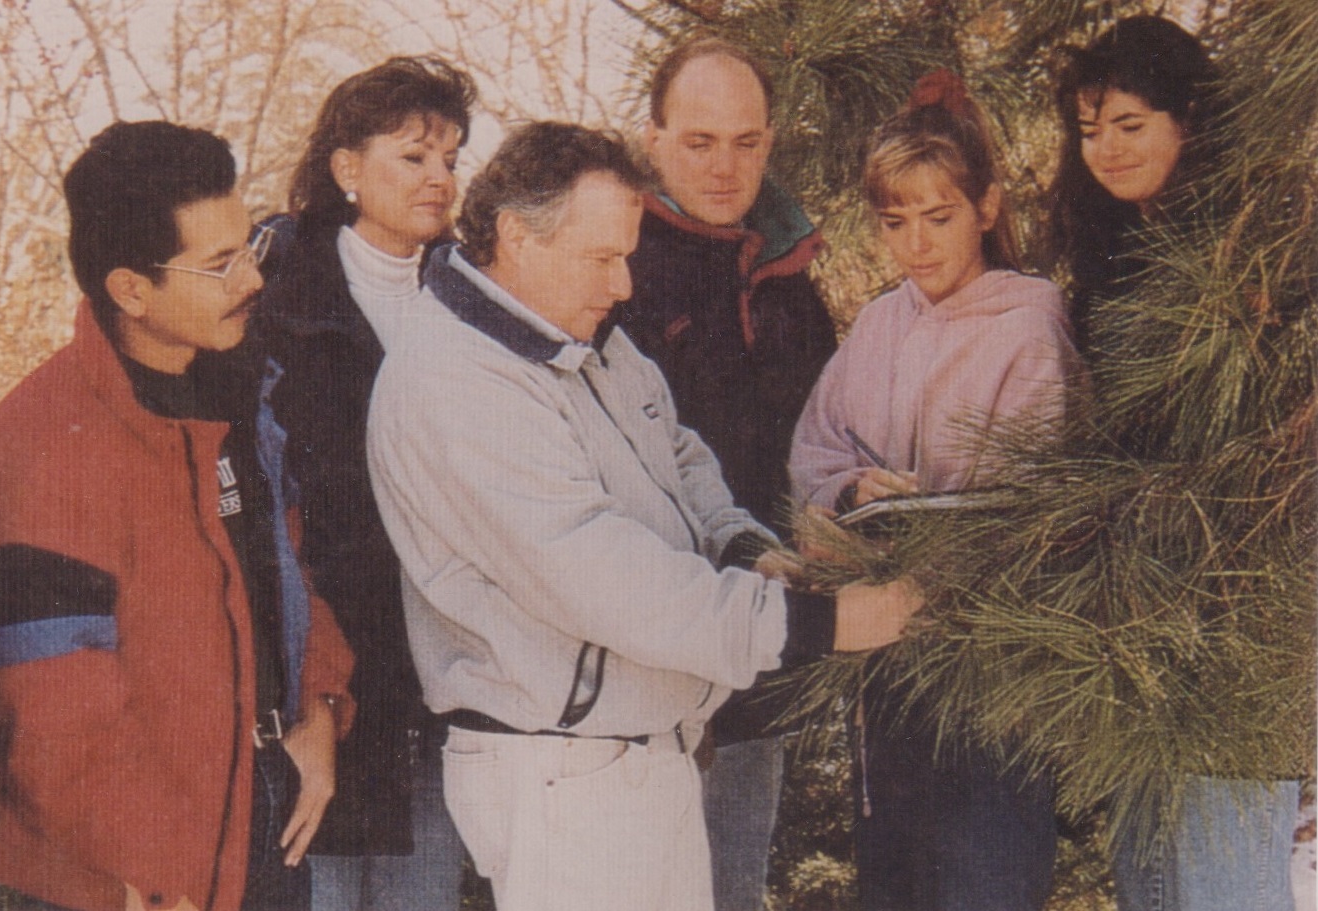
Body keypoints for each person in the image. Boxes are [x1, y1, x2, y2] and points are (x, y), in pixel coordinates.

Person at [366, 120, 923, 911]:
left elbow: (679, 454)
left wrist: (744, 547)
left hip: (636, 754)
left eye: (624, 254)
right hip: (562, 776)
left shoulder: (577, 337)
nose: (622, 284)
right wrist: (822, 622)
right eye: (601, 257)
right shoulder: (456, 382)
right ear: (516, 238)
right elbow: (607, 579)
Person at [0, 121, 354, 911]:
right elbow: (55, 732)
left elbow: (285, 574)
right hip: (133, 877)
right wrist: (161, 882)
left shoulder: (234, 395)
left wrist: (322, 709)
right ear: (130, 288)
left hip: (260, 817)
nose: (252, 280)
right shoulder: (36, 455)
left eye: (249, 248)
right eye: (219, 263)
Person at [788, 70, 1080, 911]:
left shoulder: (1027, 322)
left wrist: (921, 519)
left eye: (939, 216)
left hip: (989, 674)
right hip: (885, 666)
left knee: (983, 877)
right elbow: (816, 445)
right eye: (895, 221)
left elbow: (1034, 496)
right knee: (895, 883)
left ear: (985, 207)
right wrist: (849, 492)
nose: (917, 243)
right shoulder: (881, 321)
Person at [1048, 17, 1303, 911]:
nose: (1105, 151)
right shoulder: (1106, 264)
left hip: (1239, 628)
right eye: (1088, 131)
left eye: (1128, 124)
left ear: (1187, 120)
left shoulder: (1259, 250)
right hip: (1135, 623)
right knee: (1151, 886)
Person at [621, 36, 840, 911]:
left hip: (761, 651)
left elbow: (829, 439)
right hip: (642, 655)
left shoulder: (789, 273)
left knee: (733, 885)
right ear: (653, 139)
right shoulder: (616, 263)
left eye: (745, 142)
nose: (723, 165)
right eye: (699, 140)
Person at [253, 55, 477, 911]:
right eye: (413, 157)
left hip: (437, 673)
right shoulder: (275, 296)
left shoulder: (470, 298)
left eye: (451, 158)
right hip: (322, 681)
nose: (440, 179)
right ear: (347, 169)